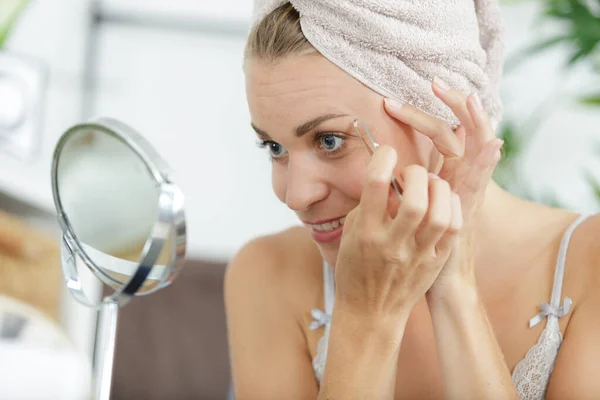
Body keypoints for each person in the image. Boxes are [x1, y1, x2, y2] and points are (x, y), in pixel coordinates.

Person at [224, 1, 600, 399]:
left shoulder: (589, 264)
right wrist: (367, 317)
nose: (294, 195)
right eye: (274, 147)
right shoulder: (268, 274)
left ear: (440, 115)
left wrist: (453, 288)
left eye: (329, 141)